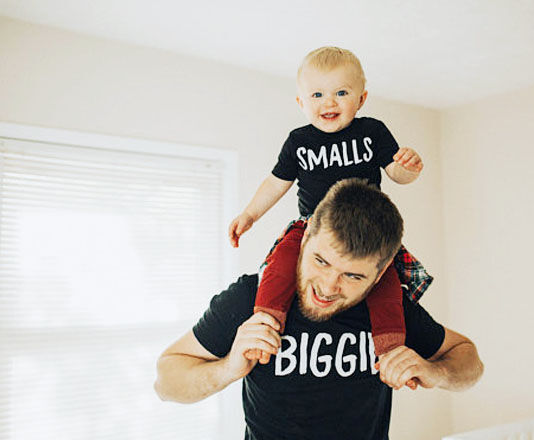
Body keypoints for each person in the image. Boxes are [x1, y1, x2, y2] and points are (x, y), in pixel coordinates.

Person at [154, 179, 484, 440]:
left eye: (352, 276)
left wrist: (433, 371)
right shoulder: (248, 299)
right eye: (320, 261)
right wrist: (228, 368)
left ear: (381, 273)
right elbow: (166, 382)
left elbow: (469, 360)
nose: (327, 287)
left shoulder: (390, 311)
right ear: (305, 235)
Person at [227, 46, 431, 363]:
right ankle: (264, 330)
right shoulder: (298, 141)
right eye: (318, 94)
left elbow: (396, 173)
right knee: (278, 271)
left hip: (367, 230)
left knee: (386, 286)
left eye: (341, 92)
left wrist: (408, 167)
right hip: (312, 228)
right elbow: (275, 183)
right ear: (302, 103)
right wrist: (249, 214)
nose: (329, 102)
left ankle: (391, 351)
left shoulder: (372, 132)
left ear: (361, 99)